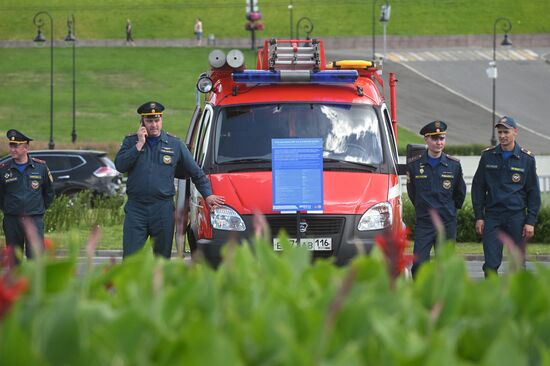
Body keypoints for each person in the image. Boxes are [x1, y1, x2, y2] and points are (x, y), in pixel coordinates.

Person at [115, 101, 224, 259]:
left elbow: (196, 172)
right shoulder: (131, 142)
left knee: (162, 260)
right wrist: (139, 145)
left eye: (157, 120)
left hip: (162, 209)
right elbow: (120, 165)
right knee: (131, 259)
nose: (154, 125)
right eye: (150, 121)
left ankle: (159, 285)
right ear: (142, 122)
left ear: (162, 120)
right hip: (136, 209)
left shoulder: (175, 144)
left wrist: (208, 195)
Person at [472, 116, 541, 277]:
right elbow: (478, 187)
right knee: (490, 264)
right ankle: (492, 299)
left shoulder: (527, 159)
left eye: (506, 132)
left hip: (516, 218)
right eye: (500, 132)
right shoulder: (487, 156)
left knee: (517, 263)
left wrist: (530, 221)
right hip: (492, 217)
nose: (502, 136)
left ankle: (517, 300)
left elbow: (533, 192)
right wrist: (479, 216)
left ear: (515, 132)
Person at [406, 120, 466, 278]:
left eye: (442, 138)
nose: (439, 142)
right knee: (419, 264)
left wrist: (450, 210)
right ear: (426, 139)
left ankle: (442, 299)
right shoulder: (414, 165)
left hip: (446, 222)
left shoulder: (454, 165)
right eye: (435, 138)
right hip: (425, 222)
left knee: (445, 266)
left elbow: (460, 193)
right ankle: (421, 297)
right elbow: (412, 192)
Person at [0, 130, 54, 261]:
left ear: (26, 147)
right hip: (12, 220)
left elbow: (49, 192)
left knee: (35, 259)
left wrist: (38, 209)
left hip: (34, 219)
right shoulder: (3, 169)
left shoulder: (40, 167)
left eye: (16, 146)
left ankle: (34, 282)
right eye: (11, 146)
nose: (12, 149)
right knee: (13, 260)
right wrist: (8, 209)